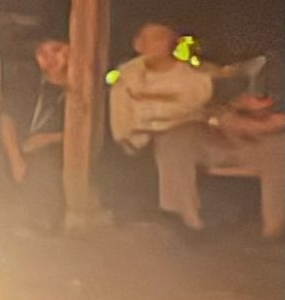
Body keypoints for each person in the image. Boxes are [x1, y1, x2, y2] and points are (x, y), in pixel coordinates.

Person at [108, 22, 215, 219]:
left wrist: (158, 111)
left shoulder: (192, 76)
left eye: (163, 38)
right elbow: (120, 110)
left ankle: (181, 216)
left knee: (175, 146)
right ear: (138, 44)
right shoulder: (127, 75)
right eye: (150, 39)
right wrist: (124, 137)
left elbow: (192, 105)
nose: (157, 44)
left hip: (179, 133)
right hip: (137, 139)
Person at [154, 85, 283, 241]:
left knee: (278, 149)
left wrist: (267, 120)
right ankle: (182, 217)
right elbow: (217, 108)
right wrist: (230, 116)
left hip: (265, 143)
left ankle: (274, 226)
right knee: (177, 140)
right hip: (215, 132)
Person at [0, 33, 71, 225]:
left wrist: (51, 138)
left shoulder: (87, 88)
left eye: (56, 50)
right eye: (41, 52)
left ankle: (43, 225)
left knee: (46, 163)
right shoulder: (29, 83)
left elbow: (96, 132)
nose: (49, 59)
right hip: (26, 148)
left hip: (61, 150)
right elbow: (6, 117)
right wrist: (15, 158)